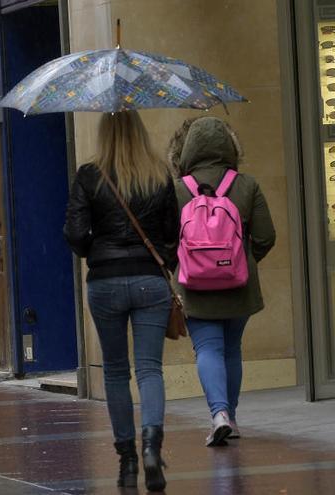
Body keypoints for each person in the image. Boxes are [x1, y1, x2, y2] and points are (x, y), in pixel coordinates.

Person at [64, 111, 177, 492]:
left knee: (114, 371)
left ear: (104, 132)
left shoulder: (89, 175)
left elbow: (76, 235)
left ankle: (127, 459)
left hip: (106, 282)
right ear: (140, 131)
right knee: (149, 370)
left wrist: (96, 244)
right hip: (150, 280)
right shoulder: (159, 173)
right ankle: (151, 446)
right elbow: (172, 233)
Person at [172, 116, 275, 447]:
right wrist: (243, 262)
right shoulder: (246, 185)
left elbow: (164, 240)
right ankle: (231, 415)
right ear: (229, 146)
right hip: (238, 285)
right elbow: (265, 236)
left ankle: (218, 414)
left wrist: (186, 265)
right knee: (232, 349)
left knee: (207, 348)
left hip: (194, 286)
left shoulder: (177, 190)